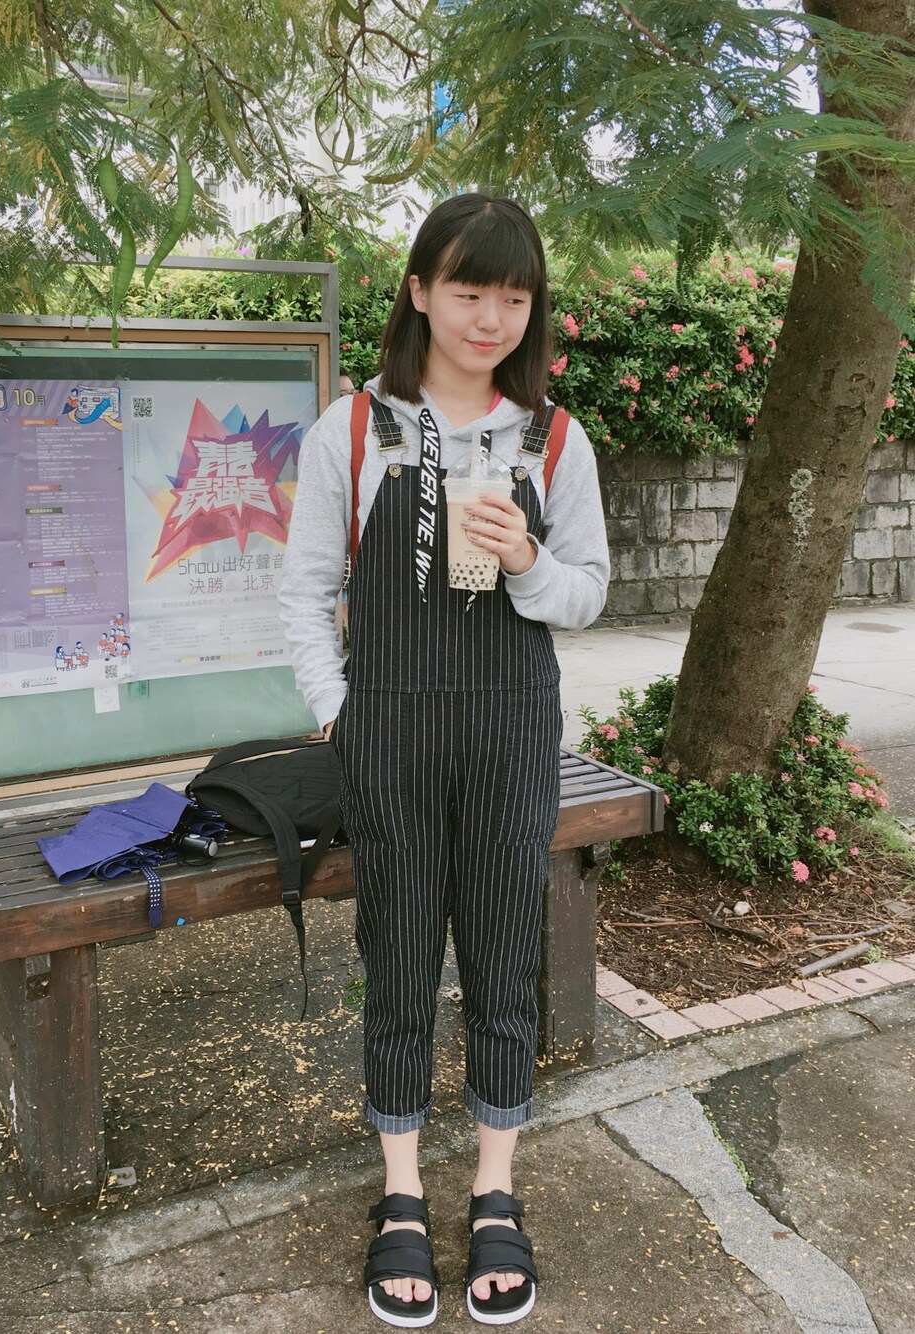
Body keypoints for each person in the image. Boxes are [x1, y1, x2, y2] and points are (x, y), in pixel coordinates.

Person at [278, 193, 609, 1328]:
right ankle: (403, 1192)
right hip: (390, 734)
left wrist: (526, 560)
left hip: (512, 730)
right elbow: (304, 591)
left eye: (514, 296)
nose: (490, 318)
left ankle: (496, 1184)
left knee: (507, 950)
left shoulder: (553, 440)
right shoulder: (351, 431)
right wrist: (342, 714)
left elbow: (587, 594)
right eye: (469, 290)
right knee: (400, 950)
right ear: (420, 291)